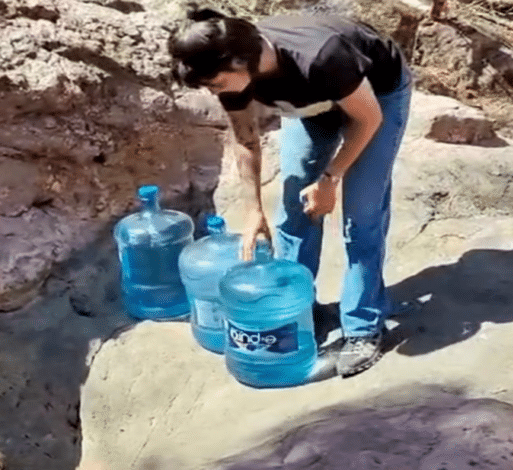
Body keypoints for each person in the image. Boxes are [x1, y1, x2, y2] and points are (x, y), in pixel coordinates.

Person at [168, 6, 413, 377]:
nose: (214, 92)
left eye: (215, 84)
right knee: (294, 206)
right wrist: (253, 211)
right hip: (314, 104)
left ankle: (364, 327)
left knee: (360, 215)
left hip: (375, 98)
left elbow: (368, 119)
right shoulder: (235, 69)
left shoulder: (321, 56)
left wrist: (331, 179)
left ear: (239, 60)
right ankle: (300, 310)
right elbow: (246, 141)